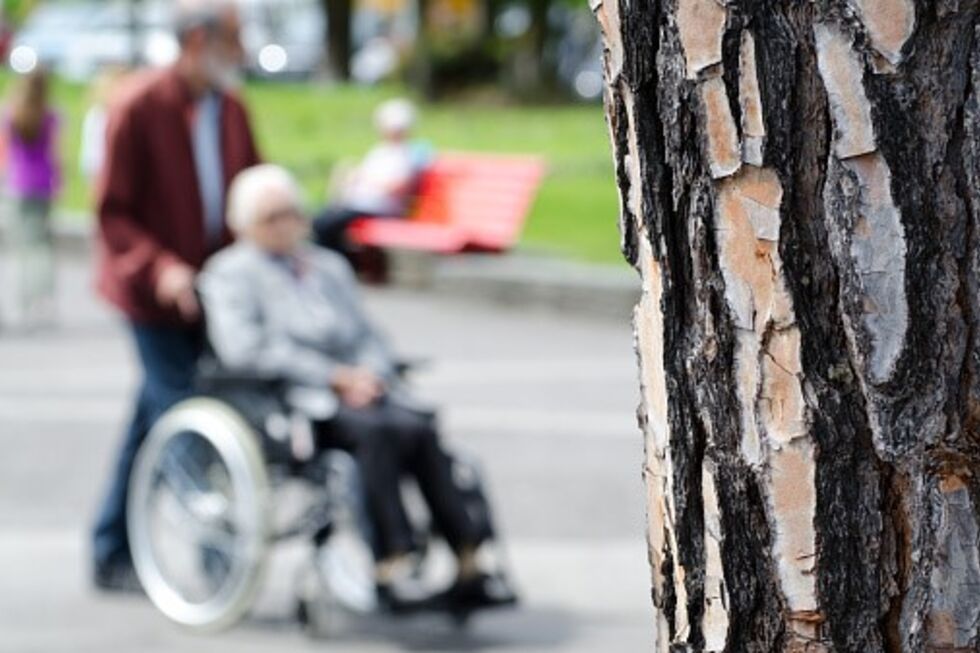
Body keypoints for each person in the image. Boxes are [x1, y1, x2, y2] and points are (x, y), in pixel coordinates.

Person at [199, 164, 517, 613]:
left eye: (290, 213)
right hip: (295, 399)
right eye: (271, 217)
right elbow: (247, 350)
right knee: (377, 433)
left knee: (418, 427)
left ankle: (468, 553)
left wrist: (370, 374)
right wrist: (334, 377)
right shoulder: (229, 274)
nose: (284, 224)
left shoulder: (327, 266)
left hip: (361, 389)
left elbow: (367, 334)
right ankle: (392, 556)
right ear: (245, 225)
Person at [90, 0, 260, 592]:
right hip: (151, 298)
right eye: (233, 38)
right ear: (196, 39)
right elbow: (113, 214)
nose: (241, 52)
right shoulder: (138, 106)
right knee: (188, 413)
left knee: (153, 415)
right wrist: (160, 267)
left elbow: (249, 194)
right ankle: (221, 559)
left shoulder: (231, 108)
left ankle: (110, 546)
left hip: (213, 294)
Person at [312, 98, 431, 256]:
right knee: (321, 220)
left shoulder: (410, 154)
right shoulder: (380, 151)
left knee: (327, 224)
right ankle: (340, 260)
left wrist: (365, 180)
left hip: (380, 209)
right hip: (360, 204)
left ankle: (340, 262)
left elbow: (399, 188)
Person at [1, 67, 60, 331]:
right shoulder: (50, 115)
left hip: (18, 183)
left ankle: (24, 296)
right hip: (42, 183)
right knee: (41, 243)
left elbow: (4, 153)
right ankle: (41, 296)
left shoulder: (12, 113)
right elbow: (55, 152)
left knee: (23, 244)